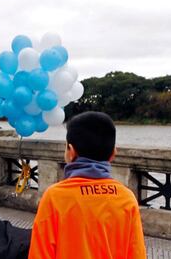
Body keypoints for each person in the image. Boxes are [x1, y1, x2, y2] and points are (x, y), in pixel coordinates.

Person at [28, 111, 146, 259]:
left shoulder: (55, 197)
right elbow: (136, 254)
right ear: (113, 154)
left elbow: (39, 255)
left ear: (70, 151)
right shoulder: (127, 198)